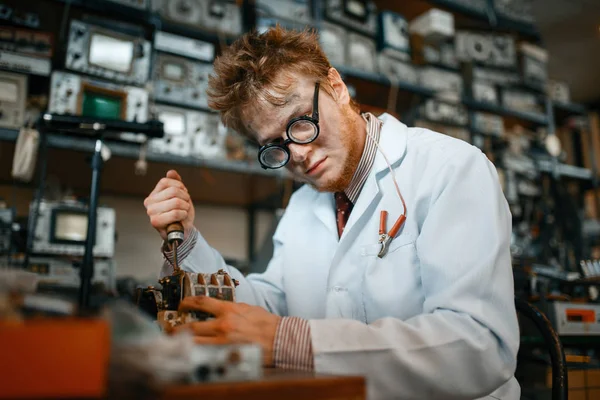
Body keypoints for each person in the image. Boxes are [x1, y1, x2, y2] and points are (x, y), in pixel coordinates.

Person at [143, 26, 520, 400]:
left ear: (336, 87)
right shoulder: (303, 205)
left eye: (300, 121)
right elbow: (271, 307)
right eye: (274, 145)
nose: (298, 155)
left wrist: (290, 343)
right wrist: (188, 242)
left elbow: (479, 347)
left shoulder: (450, 169)